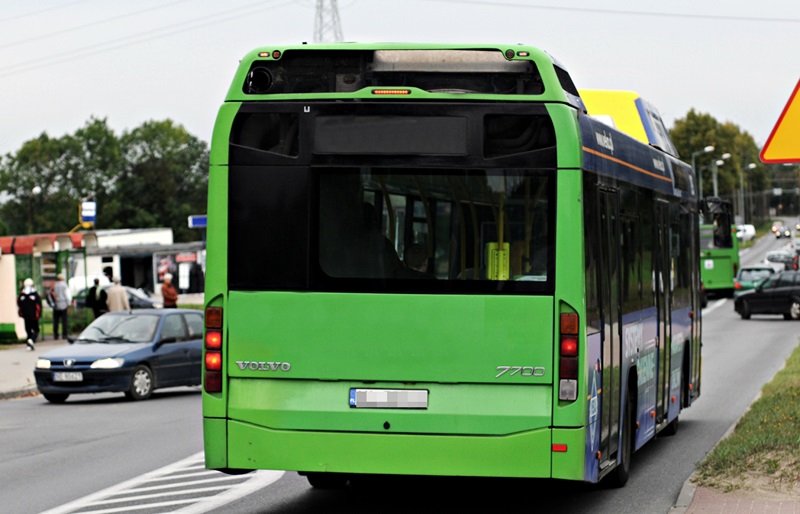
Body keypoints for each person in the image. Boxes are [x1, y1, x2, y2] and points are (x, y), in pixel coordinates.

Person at [17, 278, 42, 351]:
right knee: (36, 330)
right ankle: (31, 340)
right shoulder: (35, 294)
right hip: (34, 315)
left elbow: (19, 303)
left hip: (25, 315)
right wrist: (39, 314)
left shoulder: (22, 294)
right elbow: (39, 305)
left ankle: (29, 344)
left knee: (28, 330)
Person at [50, 273, 71, 340]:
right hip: (63, 304)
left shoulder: (55, 285)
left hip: (56, 305)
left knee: (56, 321)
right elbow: (67, 295)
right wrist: (68, 304)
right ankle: (64, 334)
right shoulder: (64, 285)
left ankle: (56, 335)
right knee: (64, 321)